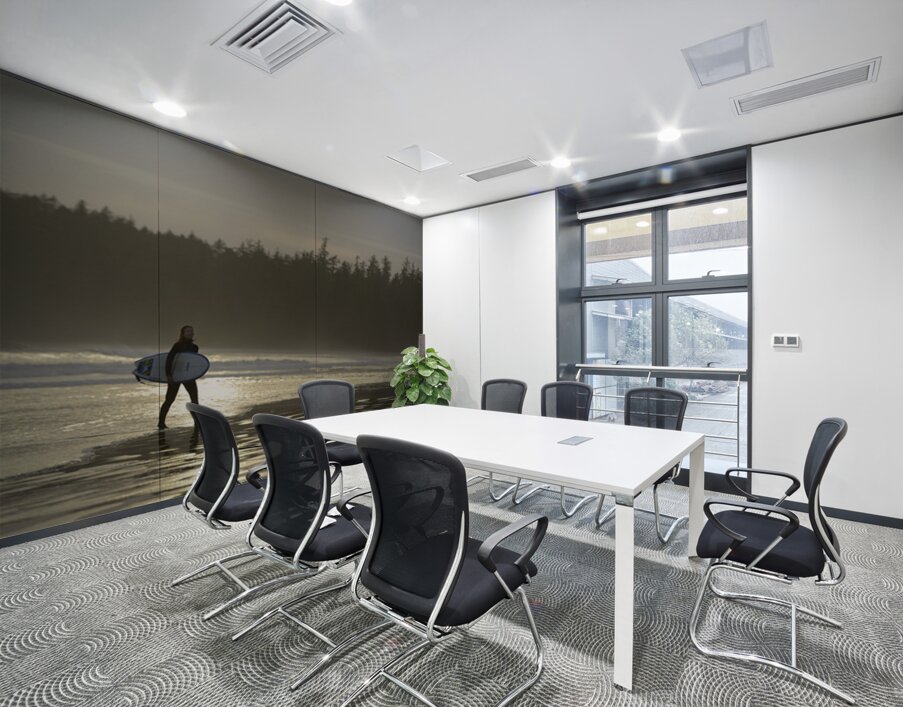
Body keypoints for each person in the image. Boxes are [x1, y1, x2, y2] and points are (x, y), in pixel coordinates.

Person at [158, 325, 200, 429]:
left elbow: (193, 363)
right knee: (169, 399)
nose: (190, 333)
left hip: (188, 377)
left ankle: (197, 422)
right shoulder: (177, 345)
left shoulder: (195, 348)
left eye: (191, 331)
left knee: (194, 400)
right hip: (175, 376)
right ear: (183, 333)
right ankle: (161, 423)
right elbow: (169, 360)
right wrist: (169, 375)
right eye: (188, 331)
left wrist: (194, 374)